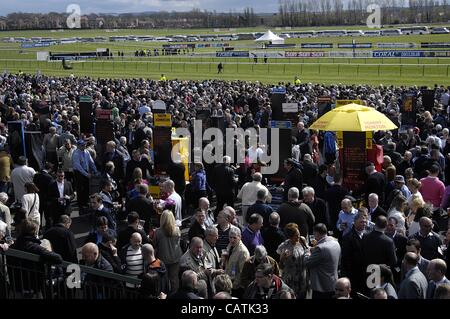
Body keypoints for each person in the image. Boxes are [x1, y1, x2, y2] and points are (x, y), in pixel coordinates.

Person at [304, 223, 341, 299]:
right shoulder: (336, 242)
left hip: (321, 287)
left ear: (317, 233)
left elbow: (307, 263)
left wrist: (307, 252)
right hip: (333, 283)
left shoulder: (320, 248)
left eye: (314, 233)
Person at [153, 210, 183, 295]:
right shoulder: (177, 230)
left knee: (163, 279)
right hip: (175, 258)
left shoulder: (158, 232)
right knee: (174, 279)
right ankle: (175, 295)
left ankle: (164, 295)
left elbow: (154, 244)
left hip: (163, 259)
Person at [276, 223, 309, 298]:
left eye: (298, 234)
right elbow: (280, 265)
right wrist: (283, 258)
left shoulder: (302, 240)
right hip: (291, 279)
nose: (298, 236)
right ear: (290, 237)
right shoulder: (284, 246)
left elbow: (307, 251)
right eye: (296, 235)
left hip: (302, 277)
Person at [341, 210, 368, 297]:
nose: (364, 224)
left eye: (365, 222)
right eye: (361, 222)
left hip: (367, 274)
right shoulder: (348, 238)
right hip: (354, 274)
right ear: (354, 222)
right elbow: (345, 258)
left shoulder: (368, 235)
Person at [222, 227, 250, 298]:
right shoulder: (230, 246)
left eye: (234, 238)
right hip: (228, 283)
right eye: (230, 237)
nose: (232, 240)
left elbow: (242, 272)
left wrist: (233, 286)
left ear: (240, 237)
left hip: (236, 288)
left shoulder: (243, 252)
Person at [72, 139, 98, 211]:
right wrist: (86, 174)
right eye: (82, 145)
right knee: (80, 188)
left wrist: (95, 170)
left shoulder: (86, 151)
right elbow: (78, 167)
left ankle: (85, 202)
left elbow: (91, 161)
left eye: (84, 145)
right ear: (78, 146)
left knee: (86, 187)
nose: (84, 146)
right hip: (78, 172)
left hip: (85, 170)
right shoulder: (76, 154)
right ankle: (80, 203)